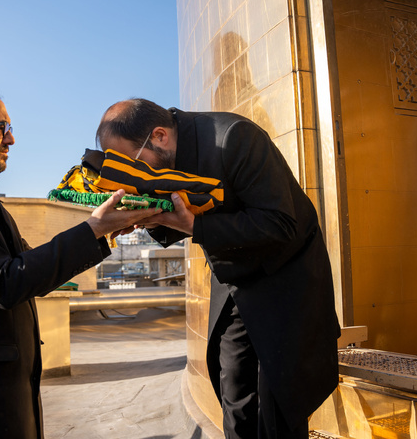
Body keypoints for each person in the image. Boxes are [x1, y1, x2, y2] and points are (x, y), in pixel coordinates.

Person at [0, 87, 160, 439]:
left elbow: (29, 271)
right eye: (0, 127)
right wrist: (93, 229)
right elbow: (3, 283)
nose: (11, 138)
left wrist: (105, 232)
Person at [96, 99, 340, 439]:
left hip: (285, 281)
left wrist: (196, 229)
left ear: (160, 136)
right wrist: (142, 218)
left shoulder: (236, 137)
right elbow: (176, 210)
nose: (127, 174)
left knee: (279, 408)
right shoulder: (162, 159)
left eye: (127, 163)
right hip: (234, 285)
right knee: (234, 394)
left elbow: (281, 224)